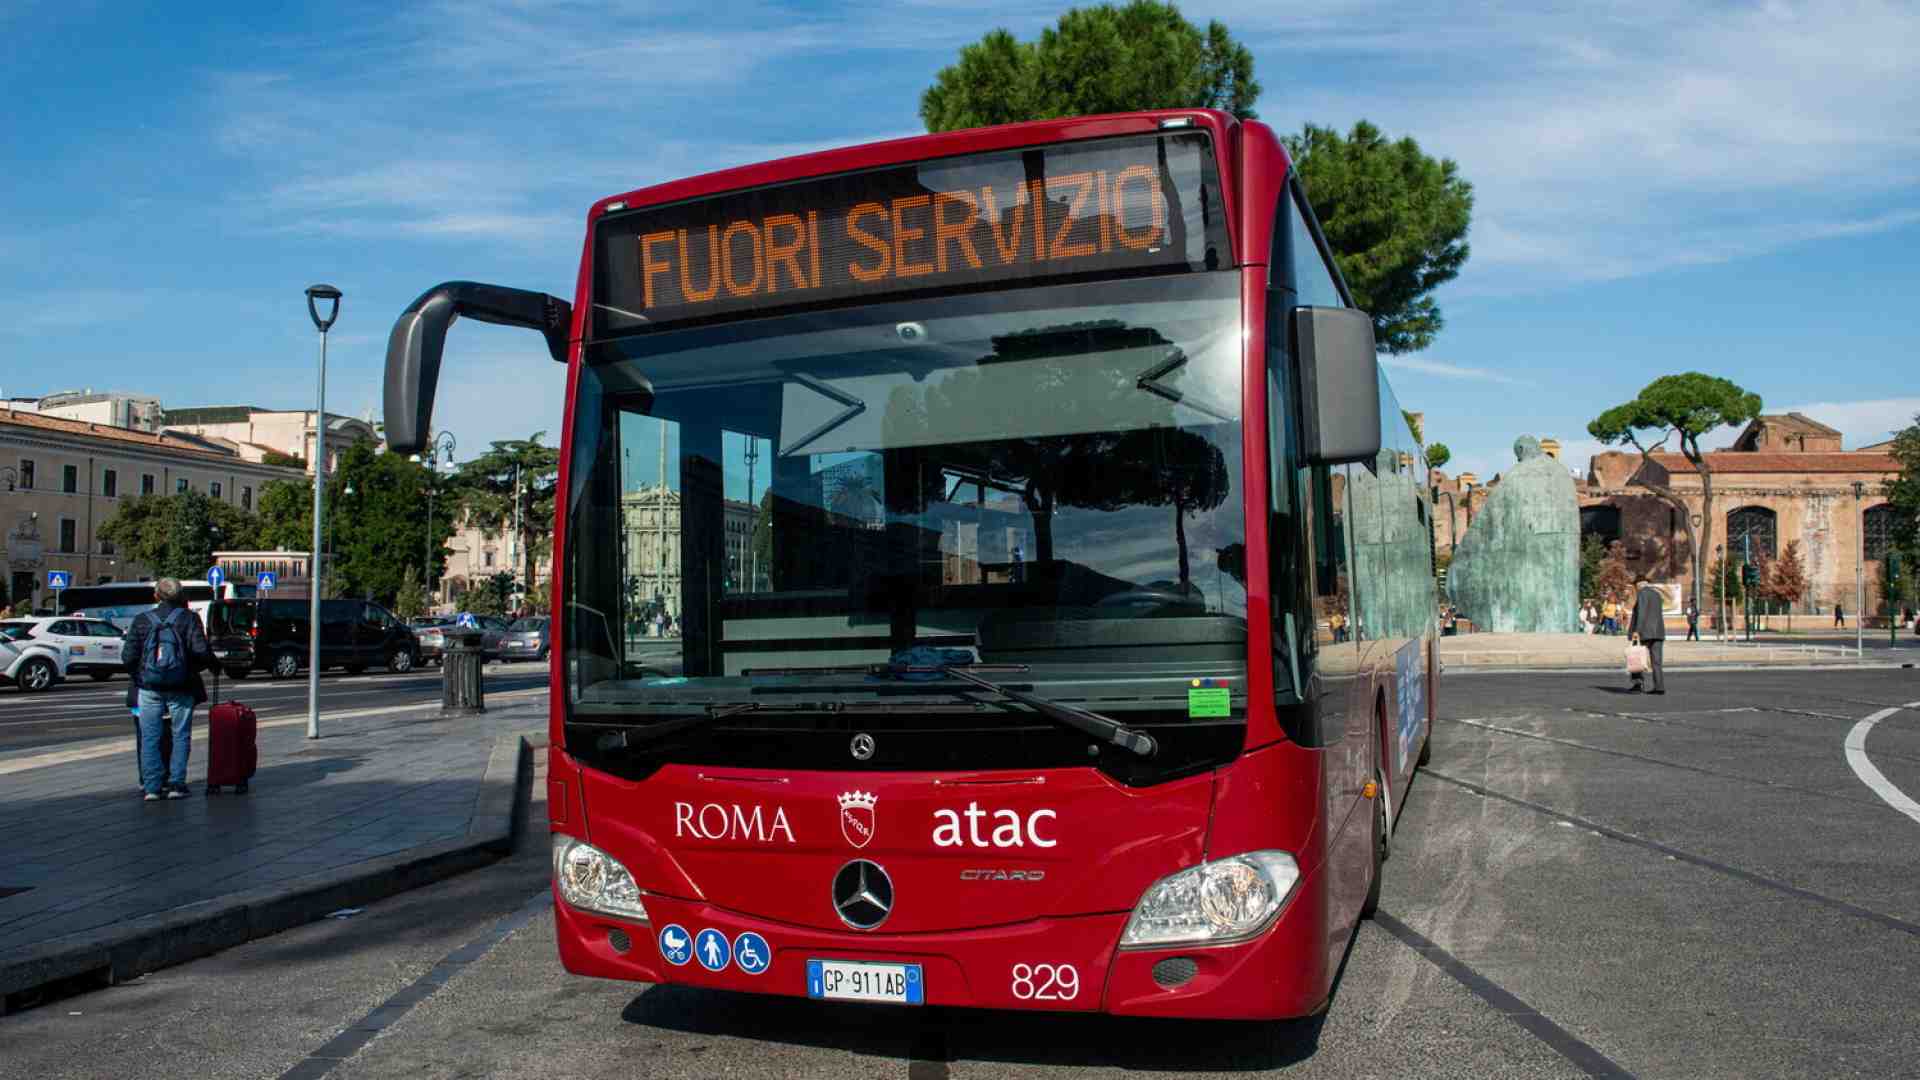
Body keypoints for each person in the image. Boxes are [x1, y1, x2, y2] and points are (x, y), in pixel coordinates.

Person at [122, 578, 212, 801]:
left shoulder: (142, 620)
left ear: (156, 596)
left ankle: (151, 787)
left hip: (149, 687)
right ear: (181, 596)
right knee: (181, 735)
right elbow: (202, 652)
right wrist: (189, 670)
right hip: (181, 687)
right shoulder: (189, 619)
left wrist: (141, 675)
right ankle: (176, 785)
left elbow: (128, 657)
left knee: (150, 737)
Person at [1628, 576, 1666, 695]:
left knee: (1636, 657)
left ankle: (1638, 684)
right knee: (1657, 662)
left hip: (1644, 632)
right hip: (1658, 632)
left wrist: (1636, 631)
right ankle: (1659, 687)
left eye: (1635, 586)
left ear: (1638, 584)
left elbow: (1642, 613)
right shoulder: (1657, 594)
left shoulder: (1642, 594)